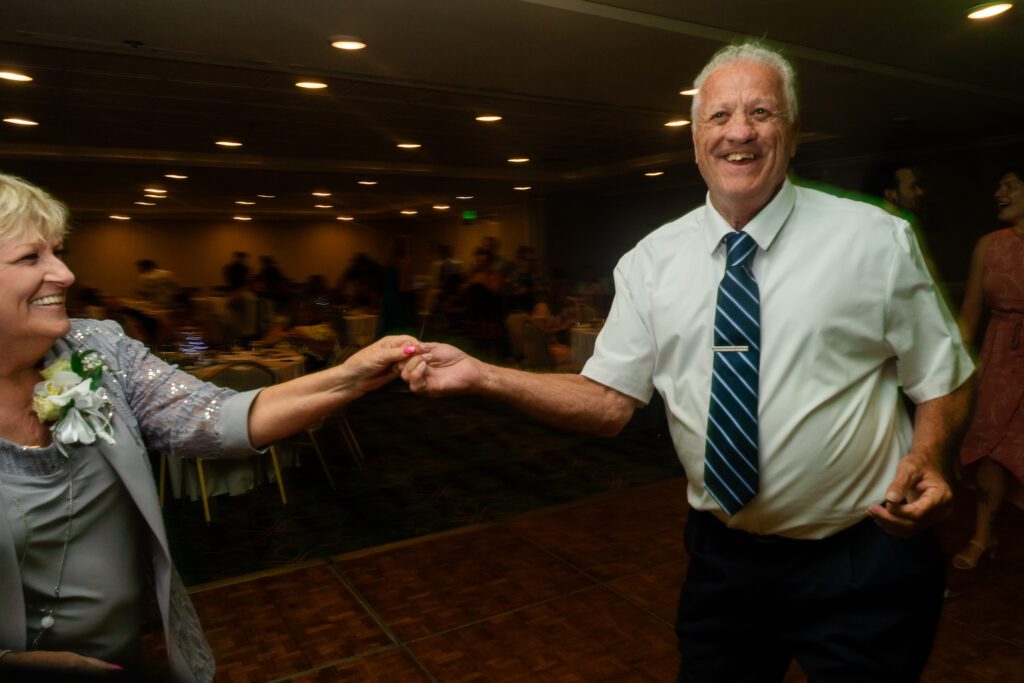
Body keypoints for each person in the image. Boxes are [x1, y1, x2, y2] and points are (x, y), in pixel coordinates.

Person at [400, 41, 974, 681]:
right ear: (695, 135)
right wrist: (483, 374)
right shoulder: (650, 262)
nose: (740, 132)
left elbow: (942, 379)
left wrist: (928, 458)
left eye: (762, 112)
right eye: (719, 116)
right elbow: (611, 404)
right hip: (725, 567)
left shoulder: (874, 240)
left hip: (863, 560)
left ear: (792, 129)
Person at [0, 172, 418, 681]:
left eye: (58, 252)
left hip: (127, 655)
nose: (64, 273)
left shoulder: (97, 350)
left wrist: (350, 375)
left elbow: (213, 418)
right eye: (31, 258)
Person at [954, 168, 1024, 570]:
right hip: (1000, 358)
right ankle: (983, 536)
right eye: (999, 185)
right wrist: (955, 369)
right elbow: (970, 315)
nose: (999, 192)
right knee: (992, 451)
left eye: (1010, 186)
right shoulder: (990, 245)